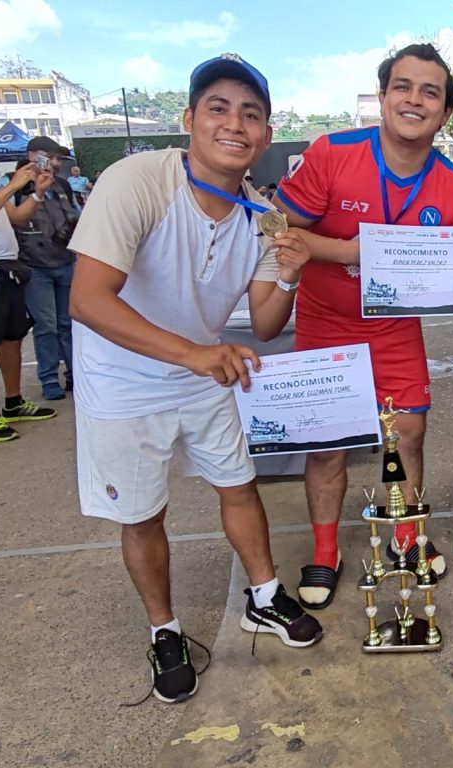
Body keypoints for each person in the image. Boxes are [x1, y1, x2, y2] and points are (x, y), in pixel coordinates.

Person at [67, 53, 323, 705]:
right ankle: (165, 630)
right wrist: (191, 354)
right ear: (188, 119)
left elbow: (265, 322)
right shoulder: (136, 181)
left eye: (251, 114)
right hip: (122, 378)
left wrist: (290, 274)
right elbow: (88, 300)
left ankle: (264, 594)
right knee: (142, 513)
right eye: (218, 108)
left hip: (202, 367)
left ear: (266, 134)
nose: (234, 124)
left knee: (239, 484)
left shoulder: (263, 216)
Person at [272, 44, 453, 609]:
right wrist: (351, 250)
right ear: (382, 96)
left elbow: (446, 276)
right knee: (327, 446)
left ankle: (405, 537)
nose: (414, 100)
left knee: (409, 436)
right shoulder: (333, 152)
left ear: (445, 112)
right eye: (403, 86)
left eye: (430, 92)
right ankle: (326, 551)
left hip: (395, 331)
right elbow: (277, 225)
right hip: (325, 323)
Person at [0, 144, 58, 442]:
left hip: (7, 265)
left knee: (13, 338)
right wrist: (13, 184)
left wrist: (37, 193)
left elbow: (17, 216)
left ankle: (13, 401)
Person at [12, 136, 79, 400]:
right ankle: (49, 379)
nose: (54, 163)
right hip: (34, 265)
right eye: (49, 157)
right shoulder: (14, 185)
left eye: (58, 158)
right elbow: (12, 220)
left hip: (65, 261)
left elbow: (76, 216)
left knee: (68, 323)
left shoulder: (62, 185)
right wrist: (36, 192)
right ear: (32, 156)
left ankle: (75, 374)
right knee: (46, 325)